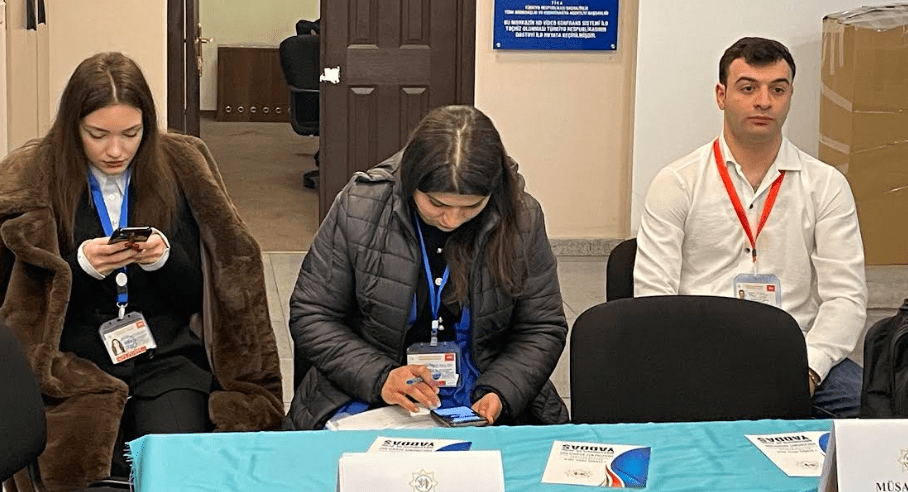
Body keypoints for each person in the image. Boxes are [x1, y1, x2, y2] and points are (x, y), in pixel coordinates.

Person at [0, 52, 283, 492]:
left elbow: (201, 293)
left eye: (131, 134)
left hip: (164, 355)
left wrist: (163, 260)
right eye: (98, 135)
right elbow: (19, 305)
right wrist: (79, 269)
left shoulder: (177, 169)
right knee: (82, 469)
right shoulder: (35, 177)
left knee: (177, 468)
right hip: (73, 362)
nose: (116, 151)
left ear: (147, 128)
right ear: (72, 128)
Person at [285, 105, 568, 429]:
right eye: (437, 203)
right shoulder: (360, 207)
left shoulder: (522, 217)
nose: (451, 220)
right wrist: (380, 377)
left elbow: (542, 327)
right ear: (411, 181)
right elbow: (312, 314)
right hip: (374, 382)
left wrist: (502, 391)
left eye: (471, 206)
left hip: (483, 382)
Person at [634, 37, 867, 418]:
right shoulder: (677, 182)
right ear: (721, 95)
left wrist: (809, 369)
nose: (764, 101)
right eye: (748, 88)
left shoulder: (826, 185)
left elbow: (846, 298)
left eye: (778, 89)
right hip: (700, 352)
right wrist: (692, 366)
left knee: (867, 409)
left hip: (796, 352)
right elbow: (653, 298)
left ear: (790, 96)